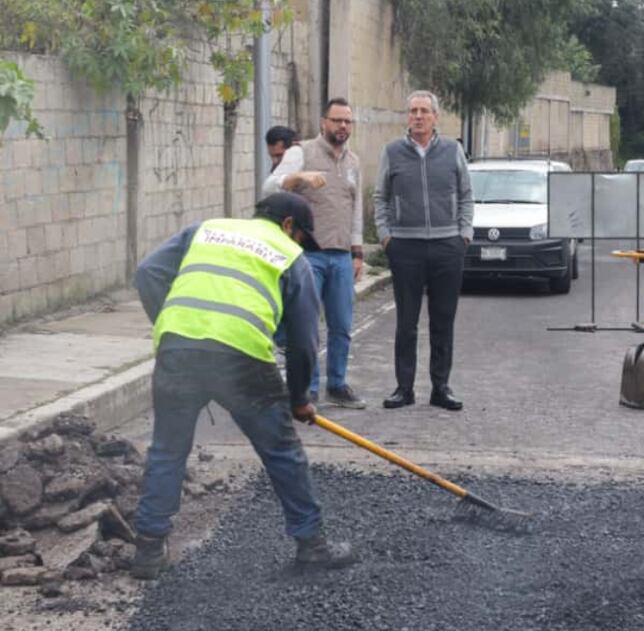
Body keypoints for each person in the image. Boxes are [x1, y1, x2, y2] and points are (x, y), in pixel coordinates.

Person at [130, 193, 356, 580]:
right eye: (302, 235)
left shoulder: (207, 229)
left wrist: (172, 324)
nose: (300, 244)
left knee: (168, 450)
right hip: (242, 355)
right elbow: (304, 342)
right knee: (282, 451)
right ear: (289, 225)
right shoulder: (288, 254)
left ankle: (149, 551)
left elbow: (147, 272)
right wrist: (299, 399)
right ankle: (312, 546)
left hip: (178, 348)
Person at [373, 90, 473, 411]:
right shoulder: (392, 152)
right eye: (413, 111)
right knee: (406, 322)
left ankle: (440, 387)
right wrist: (387, 237)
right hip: (406, 247)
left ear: (435, 117)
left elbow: (467, 195)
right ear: (408, 117)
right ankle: (404, 388)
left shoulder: (452, 150)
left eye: (424, 111)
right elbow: (380, 198)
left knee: (443, 320)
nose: (418, 116)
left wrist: (464, 234)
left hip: (447, 246)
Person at [264, 99, 366, 409]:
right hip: (307, 256)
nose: (342, 127)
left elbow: (356, 207)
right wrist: (297, 178)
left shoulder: (353, 162)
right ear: (323, 122)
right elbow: (269, 187)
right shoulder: (301, 152)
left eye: (347, 122)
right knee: (305, 326)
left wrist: (357, 250)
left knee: (341, 325)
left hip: (340, 256)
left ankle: (337, 384)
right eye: (337, 120)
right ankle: (307, 388)